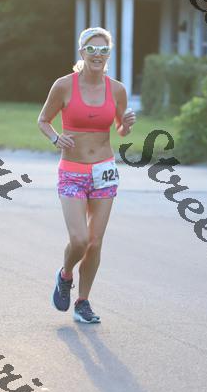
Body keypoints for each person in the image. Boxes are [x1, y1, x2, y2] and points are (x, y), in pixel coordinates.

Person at [37, 26, 136, 323]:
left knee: (95, 242)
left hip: (104, 170)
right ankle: (65, 275)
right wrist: (55, 138)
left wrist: (126, 126)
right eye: (91, 49)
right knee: (79, 239)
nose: (97, 54)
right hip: (72, 171)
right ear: (82, 52)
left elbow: (119, 129)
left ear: (109, 54)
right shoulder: (63, 86)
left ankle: (83, 302)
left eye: (103, 50)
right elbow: (43, 120)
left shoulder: (116, 89)